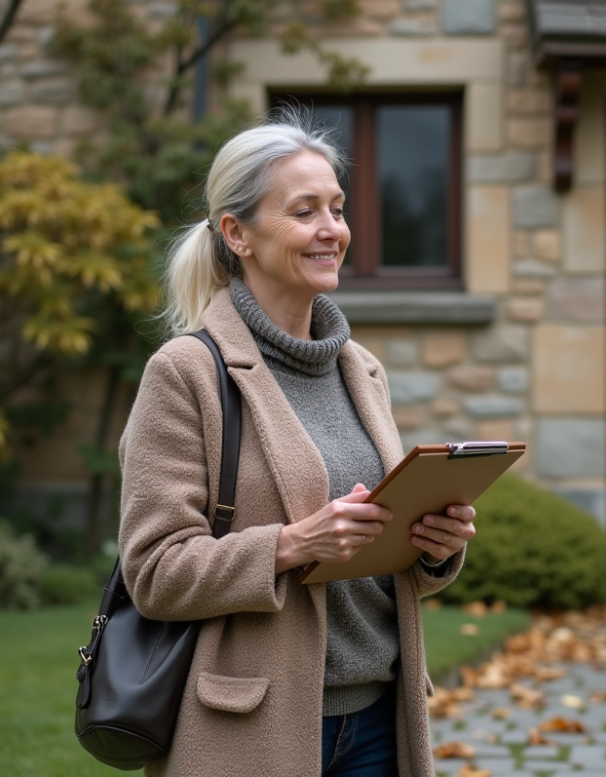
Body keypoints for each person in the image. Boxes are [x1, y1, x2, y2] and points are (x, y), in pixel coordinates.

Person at [116, 110, 476, 777]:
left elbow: (372, 558)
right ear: (237, 234)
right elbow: (154, 573)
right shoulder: (186, 374)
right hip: (251, 731)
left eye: (337, 209)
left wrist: (432, 547)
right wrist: (291, 546)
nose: (332, 230)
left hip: (380, 721)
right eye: (305, 211)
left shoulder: (361, 369)